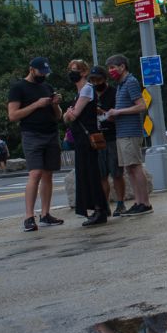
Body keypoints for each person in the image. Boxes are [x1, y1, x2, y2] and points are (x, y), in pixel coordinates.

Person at [7, 56, 65, 232]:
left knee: (48, 174)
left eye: (46, 72)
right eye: (41, 72)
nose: (43, 76)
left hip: (51, 133)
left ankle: (46, 214)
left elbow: (58, 116)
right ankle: (28, 217)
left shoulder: (47, 87)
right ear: (31, 69)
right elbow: (13, 115)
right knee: (35, 173)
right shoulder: (18, 88)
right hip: (32, 134)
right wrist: (36, 105)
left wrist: (55, 105)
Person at [62, 59, 109, 227]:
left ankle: (100, 209)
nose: (71, 73)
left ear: (83, 72)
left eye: (74, 70)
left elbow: (72, 116)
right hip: (81, 139)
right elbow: (66, 117)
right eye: (70, 69)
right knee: (85, 174)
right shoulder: (80, 92)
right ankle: (95, 209)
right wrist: (68, 114)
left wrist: (69, 113)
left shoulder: (87, 90)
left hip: (87, 139)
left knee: (91, 174)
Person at [106, 55, 152, 216]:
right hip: (122, 131)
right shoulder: (120, 85)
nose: (110, 71)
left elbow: (141, 106)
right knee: (129, 168)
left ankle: (145, 203)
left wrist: (118, 111)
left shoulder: (131, 82)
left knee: (135, 166)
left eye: (113, 67)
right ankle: (138, 202)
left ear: (122, 66)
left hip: (131, 132)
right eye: (109, 68)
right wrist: (113, 116)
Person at [90, 66, 126, 216]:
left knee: (116, 173)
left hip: (112, 136)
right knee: (101, 175)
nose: (95, 83)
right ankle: (105, 206)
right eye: (92, 80)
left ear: (104, 79)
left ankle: (120, 203)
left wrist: (102, 112)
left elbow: (116, 116)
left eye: (98, 79)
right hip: (96, 138)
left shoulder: (114, 93)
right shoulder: (89, 94)